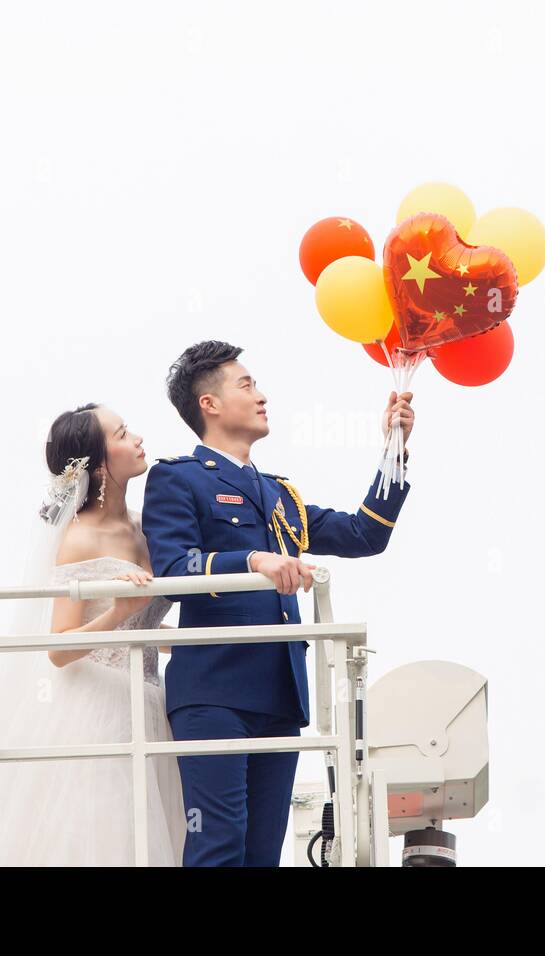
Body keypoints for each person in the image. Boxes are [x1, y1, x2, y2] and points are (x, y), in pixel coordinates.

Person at [141, 340, 415, 866]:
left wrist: (393, 448)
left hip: (279, 695)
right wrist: (253, 560)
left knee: (262, 855)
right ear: (210, 404)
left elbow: (365, 533)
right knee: (218, 847)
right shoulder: (178, 477)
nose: (262, 395)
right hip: (213, 693)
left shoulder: (279, 494)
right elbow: (173, 572)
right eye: (247, 385)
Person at [0, 403, 186, 866]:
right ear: (100, 464)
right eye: (122, 433)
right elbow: (59, 648)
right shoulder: (80, 536)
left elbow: (145, 623)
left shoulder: (146, 525)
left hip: (151, 699)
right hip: (94, 705)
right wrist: (120, 613)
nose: (138, 438)